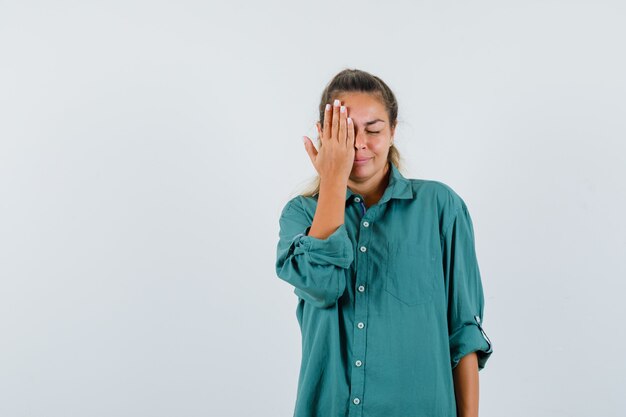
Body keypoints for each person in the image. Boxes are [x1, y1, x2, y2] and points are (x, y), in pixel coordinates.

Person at [275, 68, 493, 417]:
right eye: (345, 132)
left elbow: (463, 332)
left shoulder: (441, 207)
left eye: (373, 130)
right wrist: (332, 179)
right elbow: (321, 286)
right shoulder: (300, 215)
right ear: (323, 135)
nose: (359, 143)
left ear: (392, 131)